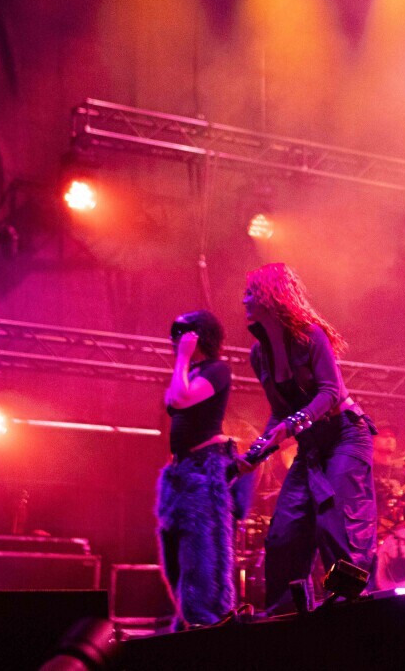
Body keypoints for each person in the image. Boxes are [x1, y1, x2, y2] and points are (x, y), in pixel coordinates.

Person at [238, 262, 377, 612]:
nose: (244, 300)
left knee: (335, 524)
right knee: (283, 535)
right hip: (312, 449)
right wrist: (256, 453)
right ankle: (287, 615)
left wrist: (293, 423)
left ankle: (354, 607)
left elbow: (331, 392)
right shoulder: (259, 355)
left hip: (346, 436)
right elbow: (279, 413)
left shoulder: (311, 335)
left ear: (271, 296)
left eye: (251, 292)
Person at [154, 310, 236, 629]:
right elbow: (173, 400)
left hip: (204, 469)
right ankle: (188, 620)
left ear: (199, 335)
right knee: (173, 556)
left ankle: (206, 622)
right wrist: (184, 363)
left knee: (199, 554)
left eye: (181, 332)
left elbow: (180, 398)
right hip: (180, 472)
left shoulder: (217, 370)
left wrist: (183, 358)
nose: (173, 339)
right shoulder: (189, 371)